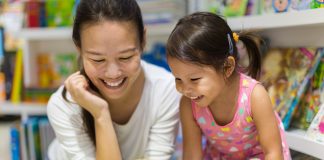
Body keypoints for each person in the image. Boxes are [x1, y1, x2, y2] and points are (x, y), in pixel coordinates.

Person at [46, 0, 180, 159]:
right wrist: (101, 114)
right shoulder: (64, 106)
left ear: (143, 40)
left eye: (125, 57)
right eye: (98, 60)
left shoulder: (166, 90)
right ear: (79, 48)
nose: (113, 73)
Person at [166, 12, 291, 160]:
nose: (185, 89)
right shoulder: (188, 105)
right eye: (178, 79)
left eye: (194, 79)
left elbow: (273, 153)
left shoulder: (255, 96)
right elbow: (192, 155)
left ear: (227, 66)